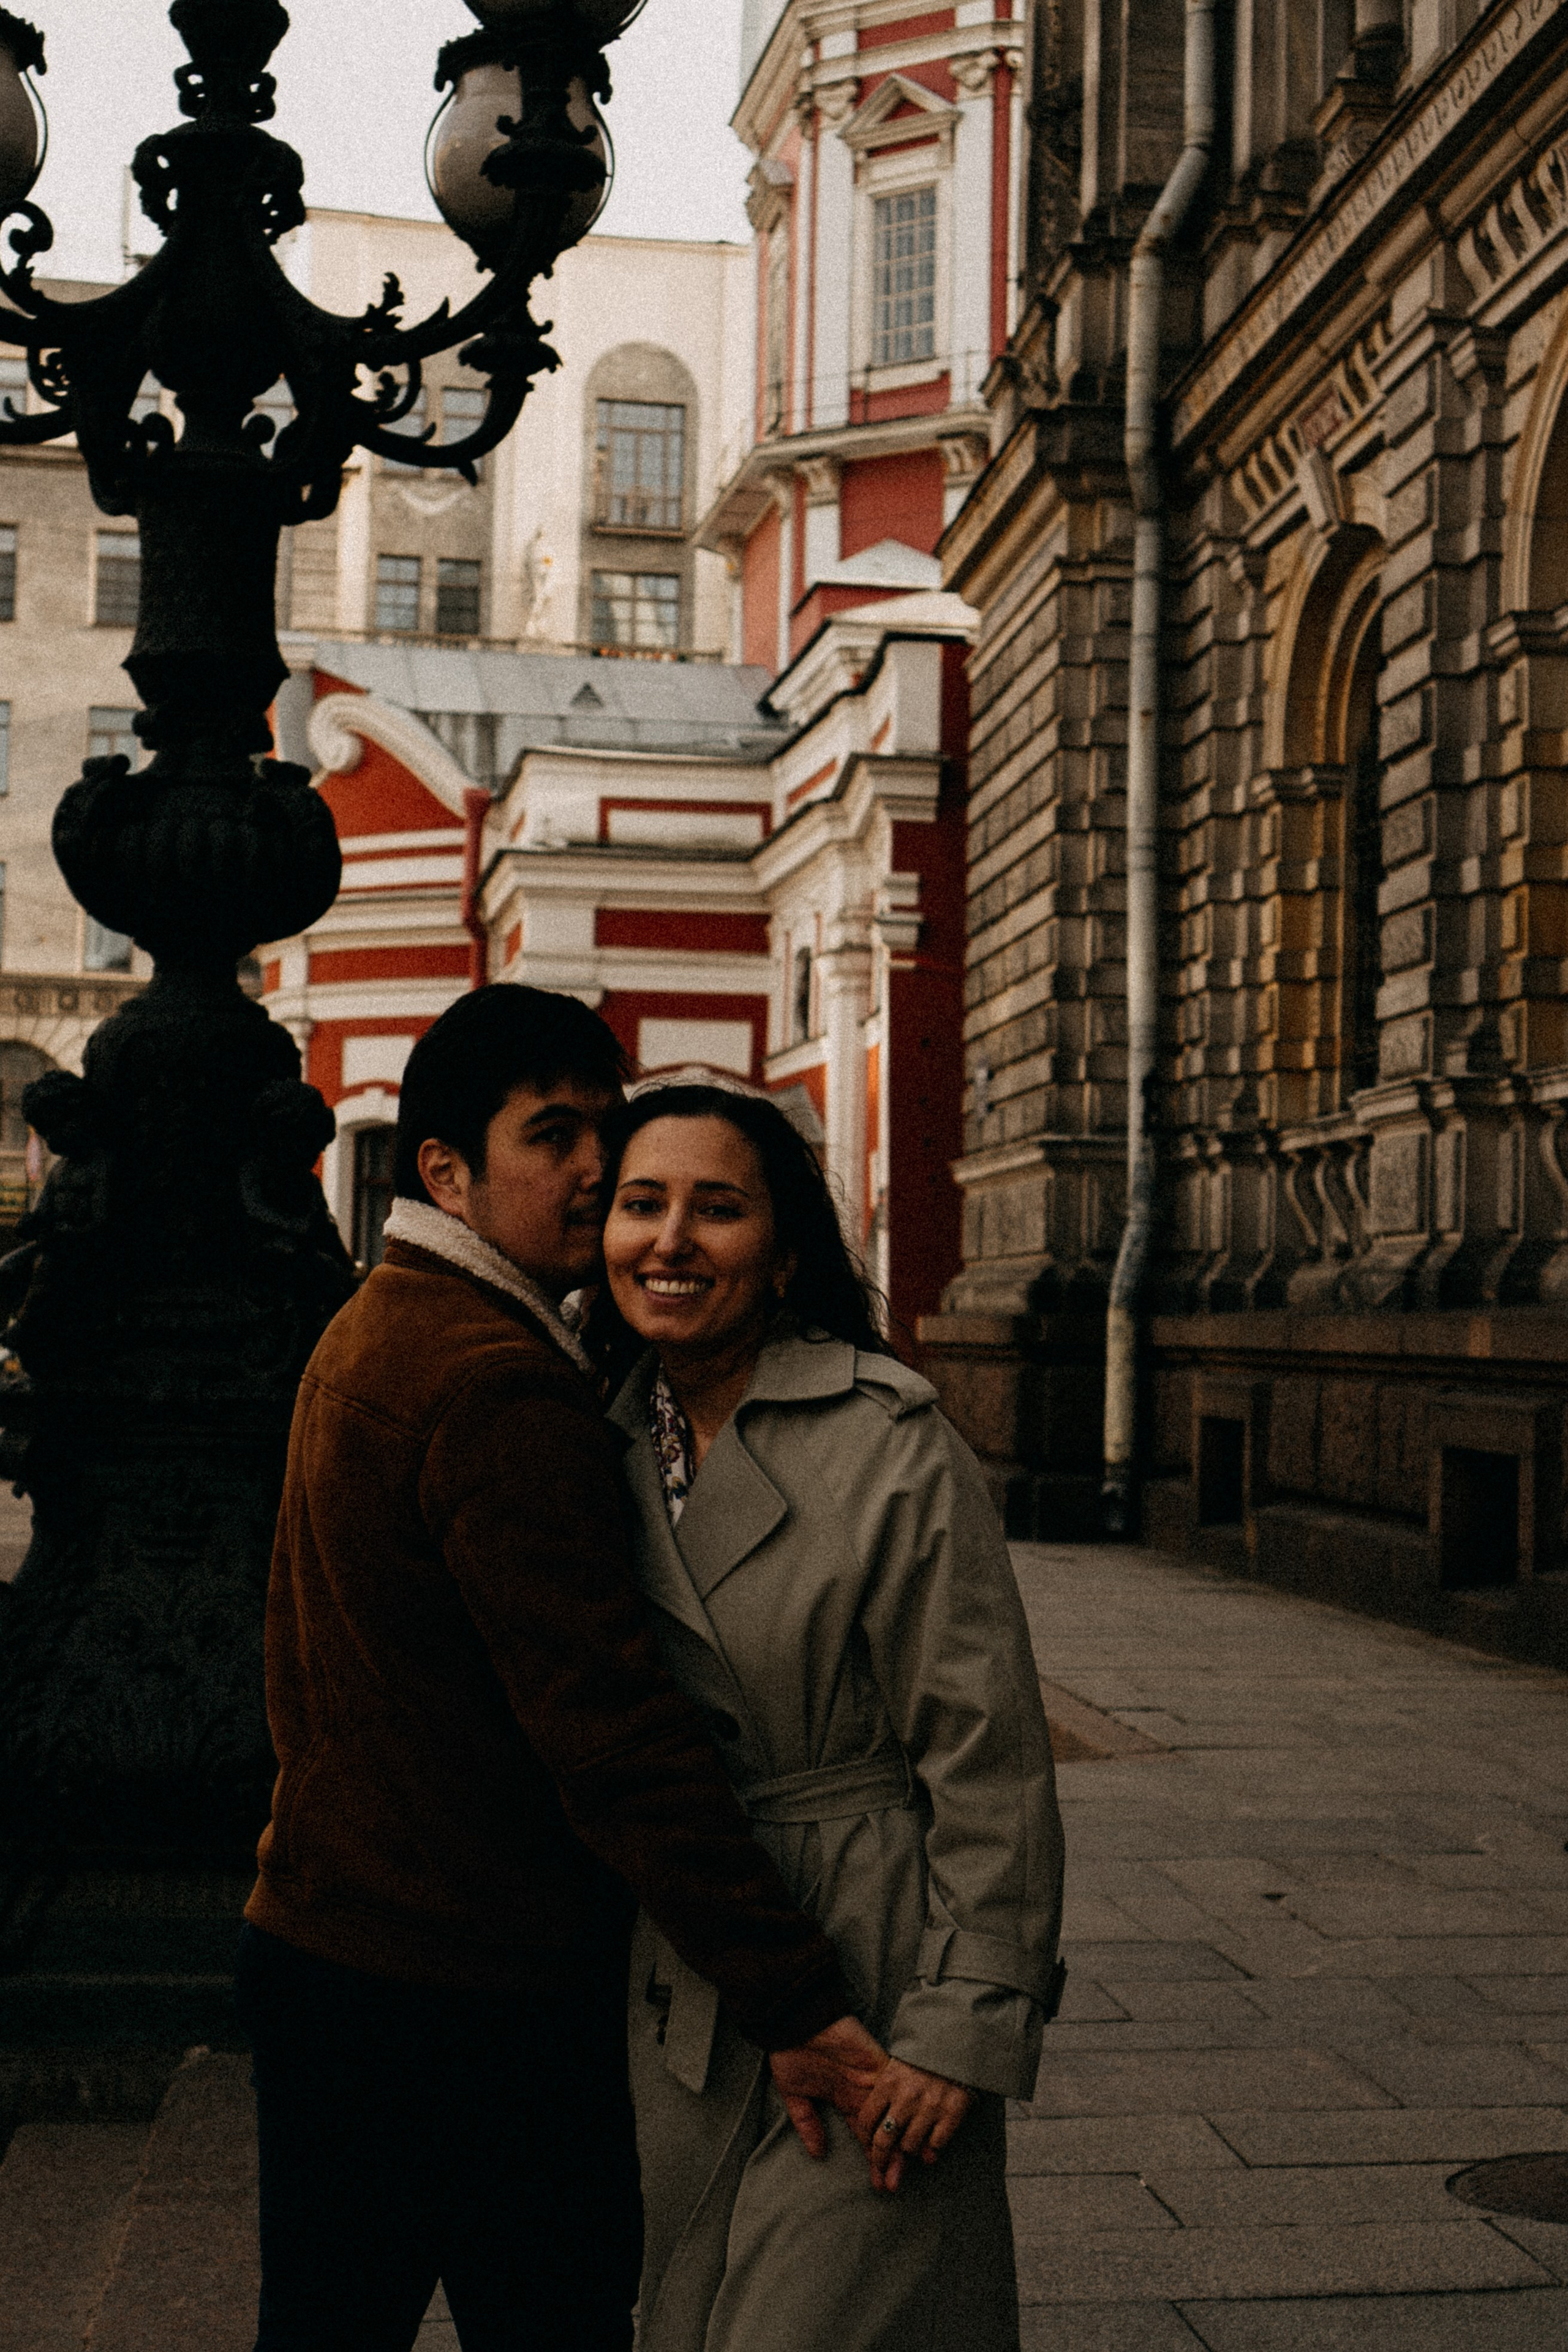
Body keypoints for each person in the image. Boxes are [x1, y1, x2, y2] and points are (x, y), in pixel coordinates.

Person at [238, 990, 883, 2352]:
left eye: (604, 1125)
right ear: (446, 1172)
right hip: (466, 1996)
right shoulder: (494, 1383)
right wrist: (790, 1989)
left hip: (332, 1949)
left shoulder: (382, 1323)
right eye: (552, 1135)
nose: (597, 1167)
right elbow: (610, 1728)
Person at [594, 1083, 1067, 2352]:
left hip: (877, 1968)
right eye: (641, 1205)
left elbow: (987, 1760)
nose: (670, 1240)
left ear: (785, 1250)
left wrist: (967, 2019)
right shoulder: (586, 1449)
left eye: (717, 1209)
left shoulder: (886, 1438)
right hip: (685, 1983)